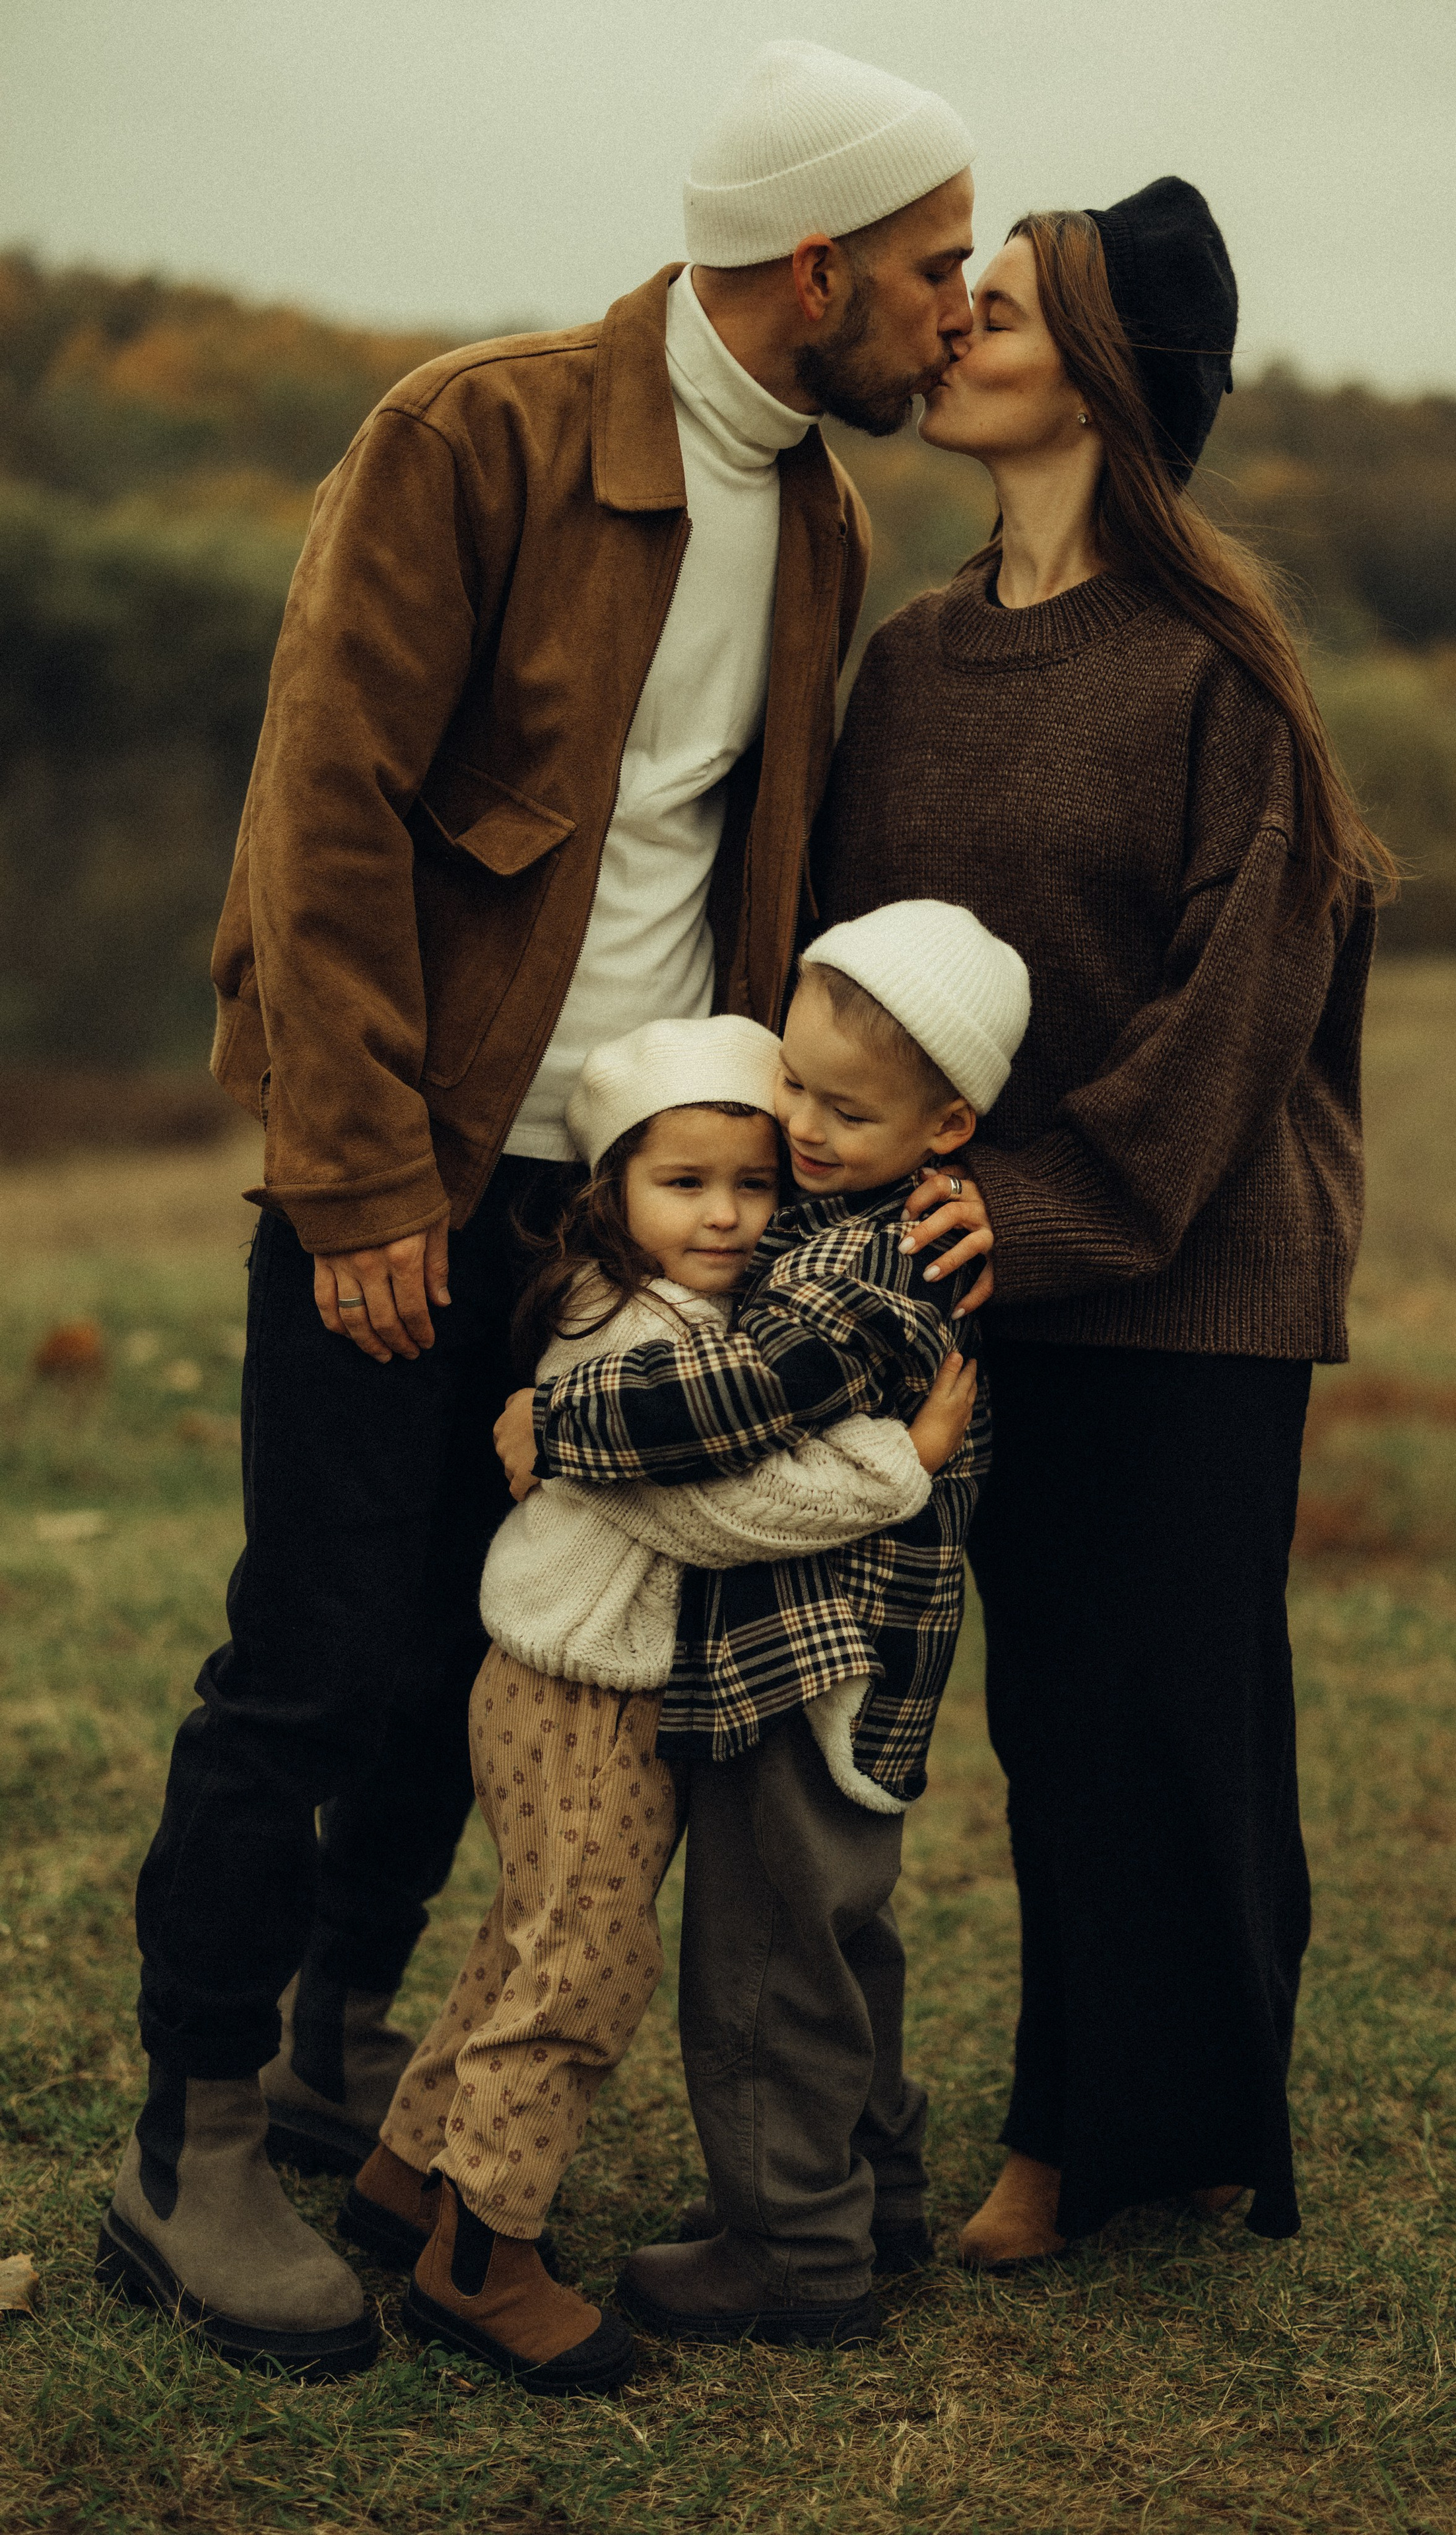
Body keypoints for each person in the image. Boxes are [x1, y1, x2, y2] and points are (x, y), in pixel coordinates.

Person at [98, 44, 977, 2376]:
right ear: (816, 272)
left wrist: (787, 1204)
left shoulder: (822, 518)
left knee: (495, 1650)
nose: (957, 313)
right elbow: (326, 817)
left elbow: (753, 882)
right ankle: (181, 2147)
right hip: (407, 1162)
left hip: (633, 1200)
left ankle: (331, 2043)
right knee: (321, 1644)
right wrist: (368, 1178)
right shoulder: (471, 435)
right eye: (930, 270)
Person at [811, 182, 1395, 2258]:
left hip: (1192, 1263)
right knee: (1049, 1707)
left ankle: (1089, 2146)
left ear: (1113, 375)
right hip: (975, 1268)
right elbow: (854, 969)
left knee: (1168, 1713)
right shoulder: (910, 661)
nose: (957, 319)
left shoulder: (1220, 669)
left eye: (1014, 303)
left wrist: (1045, 1205)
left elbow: (1248, 1003)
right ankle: (1172, 2114)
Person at [329, 1011, 976, 2394]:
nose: (730, 1215)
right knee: (585, 1963)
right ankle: (482, 2253)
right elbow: (713, 1511)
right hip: (580, 1690)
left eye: (754, 1185)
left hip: (588, 1681)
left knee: (527, 1933)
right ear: (610, 1192)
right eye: (684, 1186)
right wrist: (898, 1464)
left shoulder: (717, 1310)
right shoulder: (619, 1326)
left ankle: (403, 2180)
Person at [526, 900, 1028, 2345]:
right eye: (792, 1085)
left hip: (807, 1666)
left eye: (845, 1111)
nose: (799, 1124)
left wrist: (553, 1417)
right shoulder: (840, 1214)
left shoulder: (866, 1273)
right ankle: (869, 2195)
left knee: (761, 1957)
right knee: (833, 1938)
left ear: (944, 1130)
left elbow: (720, 1402)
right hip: (828, 1661)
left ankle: (791, 2255)